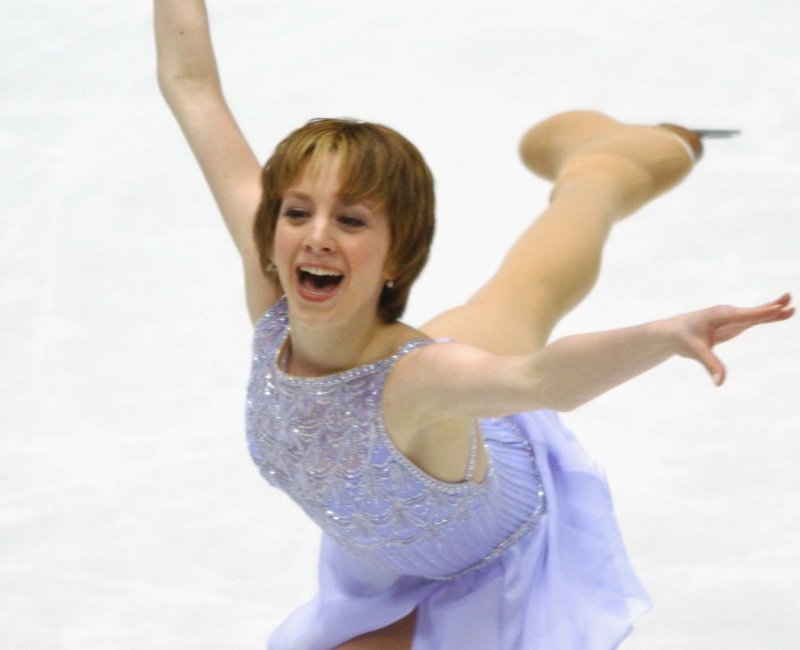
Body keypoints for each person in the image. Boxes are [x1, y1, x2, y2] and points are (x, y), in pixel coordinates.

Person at [154, 2, 793, 648]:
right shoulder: (273, 294)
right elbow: (192, 87)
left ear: (395, 256)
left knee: (539, 281)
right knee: (528, 288)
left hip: (496, 566)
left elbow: (544, 380)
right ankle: (605, 160)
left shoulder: (423, 378)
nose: (317, 236)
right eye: (297, 213)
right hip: (388, 559)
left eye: (351, 221)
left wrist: (663, 336)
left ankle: (605, 168)